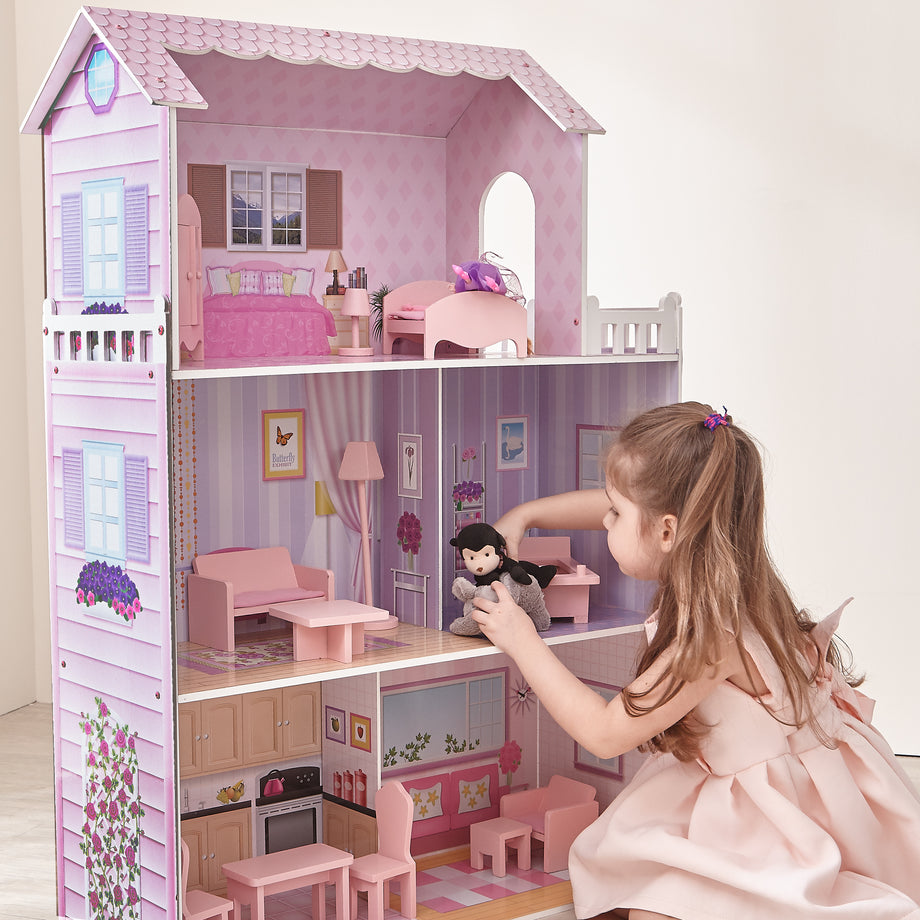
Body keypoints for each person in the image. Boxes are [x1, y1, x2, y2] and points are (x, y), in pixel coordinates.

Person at [472, 401, 920, 920]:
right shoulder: (730, 568)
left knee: (660, 901)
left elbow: (605, 732)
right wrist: (526, 515)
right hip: (788, 774)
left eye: (615, 514)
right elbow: (627, 504)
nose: (604, 520)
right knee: (644, 882)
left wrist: (522, 639)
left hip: (783, 811)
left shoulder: (710, 635)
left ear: (668, 531)